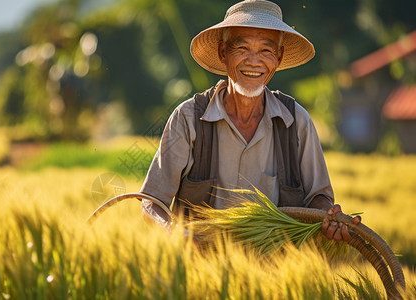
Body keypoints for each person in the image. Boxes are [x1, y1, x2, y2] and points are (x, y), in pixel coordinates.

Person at [139, 0, 360, 242]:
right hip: (199, 271)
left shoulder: (296, 122)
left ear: (279, 56)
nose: (253, 61)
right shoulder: (189, 119)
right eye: (242, 48)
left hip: (275, 274)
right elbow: (152, 203)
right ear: (224, 53)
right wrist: (175, 233)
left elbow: (318, 198)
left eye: (266, 50)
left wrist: (327, 218)